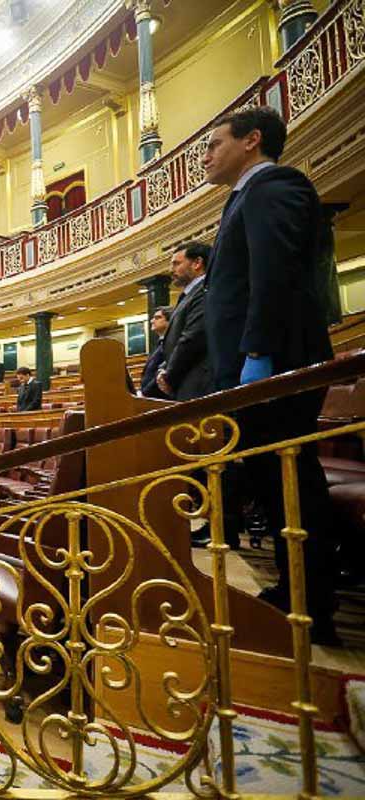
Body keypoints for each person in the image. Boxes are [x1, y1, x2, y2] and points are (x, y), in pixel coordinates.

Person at [202, 106, 337, 643]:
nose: (205, 157)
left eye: (214, 143)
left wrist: (257, 355)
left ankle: (313, 604)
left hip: (273, 368)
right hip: (252, 370)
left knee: (292, 483)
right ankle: (292, 589)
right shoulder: (242, 198)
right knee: (273, 485)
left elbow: (274, 275)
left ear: (252, 140)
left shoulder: (273, 186)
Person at [156, 242, 211, 402]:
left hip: (198, 383)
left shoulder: (204, 291)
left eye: (176, 263)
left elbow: (192, 337)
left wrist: (169, 375)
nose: (171, 270)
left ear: (197, 263)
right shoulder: (188, 295)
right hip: (186, 381)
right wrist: (163, 369)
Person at [139, 308, 172, 398]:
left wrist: (145, 393)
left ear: (170, 321)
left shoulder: (171, 344)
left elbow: (163, 371)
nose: (152, 321)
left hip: (161, 397)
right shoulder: (158, 345)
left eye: (158, 318)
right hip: (149, 396)